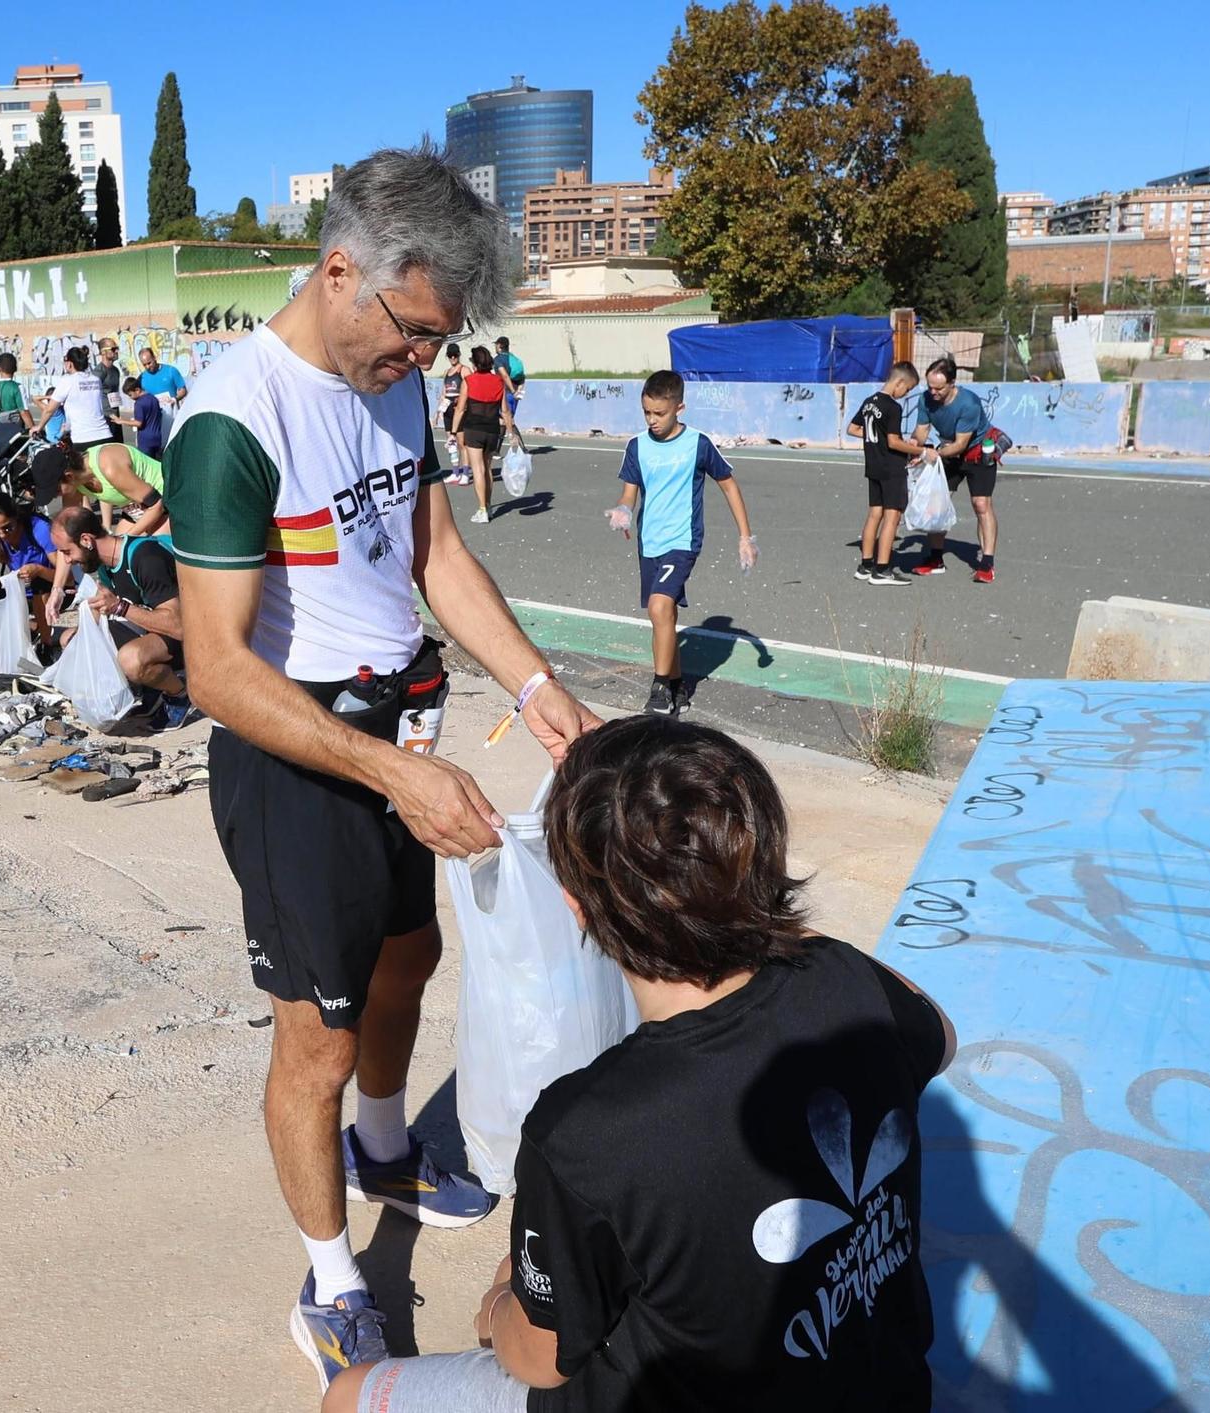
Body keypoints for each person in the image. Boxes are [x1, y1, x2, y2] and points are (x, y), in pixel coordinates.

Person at [164, 144, 600, 1392]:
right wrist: (388, 776)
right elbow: (216, 671)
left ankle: (387, 1145)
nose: (421, 365)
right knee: (315, 1036)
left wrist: (531, 681)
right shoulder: (230, 422)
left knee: (409, 954)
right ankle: (332, 1277)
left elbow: (433, 554)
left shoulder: (399, 382)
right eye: (410, 335)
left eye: (436, 346)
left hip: (392, 727)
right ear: (338, 270)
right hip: (295, 752)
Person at [324, 714, 956, 1413]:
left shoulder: (584, 1130)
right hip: (884, 1388)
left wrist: (501, 1304)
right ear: (760, 853)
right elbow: (941, 1034)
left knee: (351, 1393)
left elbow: (541, 1359)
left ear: (575, 905)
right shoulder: (850, 981)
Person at [606, 369, 756, 719]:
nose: (652, 420)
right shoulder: (637, 446)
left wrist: (745, 537)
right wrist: (623, 511)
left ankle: (659, 689)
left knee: (659, 607)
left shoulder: (698, 444)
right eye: (647, 412)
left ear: (679, 408)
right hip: (649, 542)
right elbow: (630, 491)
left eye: (660, 413)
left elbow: (729, 485)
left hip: (682, 541)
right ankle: (677, 686)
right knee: (664, 616)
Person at [50, 506, 191, 724]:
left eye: (67, 552)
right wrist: (78, 642)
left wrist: (120, 608)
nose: (67, 561)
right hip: (152, 629)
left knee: (131, 660)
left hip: (192, 637)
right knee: (70, 639)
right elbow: (102, 606)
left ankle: (179, 693)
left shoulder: (145, 559)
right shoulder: (106, 564)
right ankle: (151, 686)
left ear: (86, 540)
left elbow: (178, 626)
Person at [909, 356, 998, 584]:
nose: (933, 392)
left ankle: (987, 563)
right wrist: (914, 448)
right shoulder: (925, 400)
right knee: (937, 504)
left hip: (976, 451)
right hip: (948, 451)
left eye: (938, 388)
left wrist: (933, 453)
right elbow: (921, 432)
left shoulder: (968, 403)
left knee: (981, 504)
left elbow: (960, 444)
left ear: (952, 383)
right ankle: (936, 559)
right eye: (929, 386)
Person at [847, 360, 925, 587]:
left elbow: (852, 429)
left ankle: (866, 564)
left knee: (874, 514)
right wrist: (921, 450)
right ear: (899, 382)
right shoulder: (892, 407)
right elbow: (893, 442)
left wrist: (875, 440)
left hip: (874, 465)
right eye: (907, 389)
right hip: (892, 468)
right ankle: (882, 569)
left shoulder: (869, 402)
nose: (905, 394)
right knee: (892, 517)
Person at [0, 493, 60, 650]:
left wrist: (39, 570)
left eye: (8, 527)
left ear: (16, 517)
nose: (3, 534)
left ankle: (46, 645)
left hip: (52, 591)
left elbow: (67, 578)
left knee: (38, 587)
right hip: (20, 593)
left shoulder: (39, 529)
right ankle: (32, 627)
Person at [450, 346, 514, 524]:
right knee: (487, 468)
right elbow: (505, 411)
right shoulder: (498, 381)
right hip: (492, 430)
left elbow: (461, 409)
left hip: (473, 429)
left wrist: (453, 432)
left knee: (477, 469)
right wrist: (511, 433)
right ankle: (489, 504)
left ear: (475, 363)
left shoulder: (469, 381)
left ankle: (482, 509)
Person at [65, 439, 167, 537]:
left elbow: (157, 505)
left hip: (165, 498)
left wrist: (126, 539)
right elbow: (68, 526)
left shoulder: (108, 465)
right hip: (137, 510)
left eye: (56, 490)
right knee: (116, 552)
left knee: (151, 547)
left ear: (69, 476)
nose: (56, 496)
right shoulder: (74, 483)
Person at [30, 345, 114, 452]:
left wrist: (39, 427)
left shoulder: (67, 381)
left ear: (69, 363)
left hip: (83, 439)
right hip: (105, 435)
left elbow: (49, 409)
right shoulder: (96, 379)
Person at [136, 345, 186, 442]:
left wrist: (174, 399)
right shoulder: (142, 378)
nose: (147, 367)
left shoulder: (171, 371)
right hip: (153, 420)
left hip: (171, 416)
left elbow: (183, 390)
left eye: (149, 363)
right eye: (144, 365)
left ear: (155, 358)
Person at [437, 342, 467, 481]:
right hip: (447, 409)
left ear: (459, 355)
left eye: (455, 355)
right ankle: (455, 472)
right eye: (450, 355)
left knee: (462, 443)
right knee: (451, 442)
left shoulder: (464, 370)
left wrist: (462, 402)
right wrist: (437, 414)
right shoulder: (447, 373)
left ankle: (465, 473)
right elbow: (443, 394)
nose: (453, 357)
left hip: (459, 409)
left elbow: (470, 389)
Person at [114, 376, 164, 459]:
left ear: (137, 390)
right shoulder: (153, 398)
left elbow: (138, 423)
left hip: (145, 441)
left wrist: (121, 421)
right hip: (157, 438)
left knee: (146, 465)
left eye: (130, 395)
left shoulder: (139, 403)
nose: (130, 398)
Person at [93, 338, 126, 443]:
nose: (116, 351)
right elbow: (93, 396)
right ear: (103, 352)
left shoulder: (115, 370)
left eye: (117, 348)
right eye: (113, 349)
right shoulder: (98, 372)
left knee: (119, 447)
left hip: (115, 415)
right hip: (105, 417)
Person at [494, 334, 525, 436]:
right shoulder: (514, 359)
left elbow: (505, 376)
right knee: (503, 421)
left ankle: (521, 448)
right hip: (514, 394)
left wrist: (512, 391)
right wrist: (519, 390)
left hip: (506, 393)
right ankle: (497, 450)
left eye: (496, 345)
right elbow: (522, 376)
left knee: (508, 420)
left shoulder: (498, 359)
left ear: (499, 346)